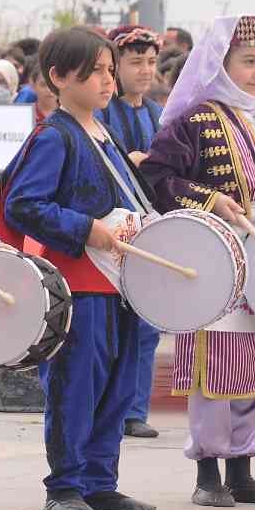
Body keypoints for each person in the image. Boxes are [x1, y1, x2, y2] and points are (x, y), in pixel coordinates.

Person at [139, 15, 255, 508]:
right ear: (221, 64)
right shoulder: (194, 120)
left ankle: (244, 469)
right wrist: (211, 200)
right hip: (213, 253)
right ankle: (207, 474)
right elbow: (157, 179)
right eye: (246, 62)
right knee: (216, 364)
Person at [0, 27, 156, 510]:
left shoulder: (104, 135)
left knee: (117, 384)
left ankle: (100, 479)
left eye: (110, 71)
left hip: (119, 282)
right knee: (76, 385)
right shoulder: (54, 136)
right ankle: (65, 483)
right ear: (59, 78)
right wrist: (85, 228)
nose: (108, 81)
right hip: (79, 282)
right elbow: (24, 205)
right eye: (96, 72)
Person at [98, 25, 164, 440]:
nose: (145, 70)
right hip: (112, 227)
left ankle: (135, 409)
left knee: (147, 322)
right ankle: (113, 407)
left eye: (151, 62)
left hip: (151, 224)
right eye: (135, 62)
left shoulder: (159, 112)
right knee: (113, 324)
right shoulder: (103, 115)